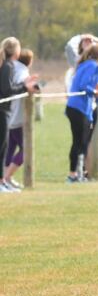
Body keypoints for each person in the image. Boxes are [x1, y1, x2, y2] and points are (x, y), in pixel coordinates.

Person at [65, 44, 98, 183]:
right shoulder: (92, 66)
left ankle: (80, 172)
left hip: (80, 108)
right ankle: (73, 174)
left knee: (82, 141)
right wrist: (96, 91)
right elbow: (84, 85)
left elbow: (95, 85)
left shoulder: (89, 66)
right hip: (78, 107)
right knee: (79, 141)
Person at [0, 39, 38, 192]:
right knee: (2, 147)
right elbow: (7, 90)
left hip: (5, 111)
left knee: (4, 147)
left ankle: (3, 180)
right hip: (3, 111)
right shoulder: (8, 66)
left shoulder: (7, 65)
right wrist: (25, 87)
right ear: (16, 51)